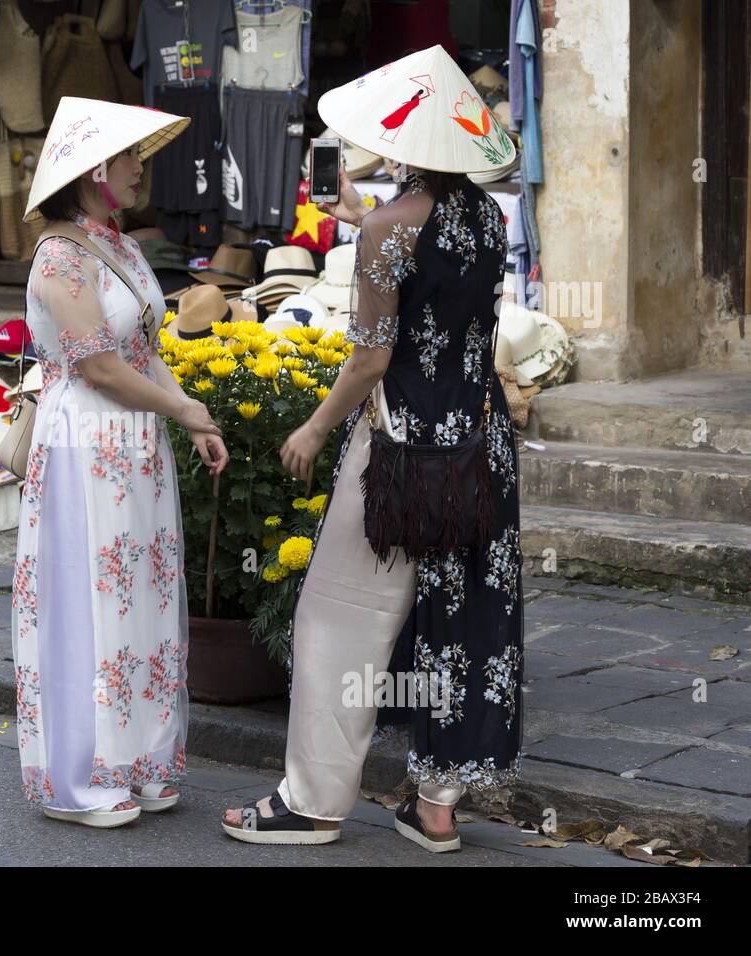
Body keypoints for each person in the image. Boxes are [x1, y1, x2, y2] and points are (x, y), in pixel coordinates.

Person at [222, 47, 523, 851]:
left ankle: (314, 801)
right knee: (454, 615)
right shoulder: (487, 218)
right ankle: (435, 804)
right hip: (479, 445)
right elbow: (441, 281)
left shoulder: (392, 226)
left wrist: (314, 427)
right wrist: (364, 219)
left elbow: (370, 357)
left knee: (339, 616)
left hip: (400, 449)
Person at [12, 97, 229, 829]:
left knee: (144, 599)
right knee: (91, 604)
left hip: (137, 447)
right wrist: (182, 411)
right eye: (131, 158)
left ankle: (144, 761)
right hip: (83, 446)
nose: (142, 170)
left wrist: (186, 412)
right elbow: (98, 368)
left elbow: (145, 355)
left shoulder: (125, 247)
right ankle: (82, 776)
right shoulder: (59, 256)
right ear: (96, 169)